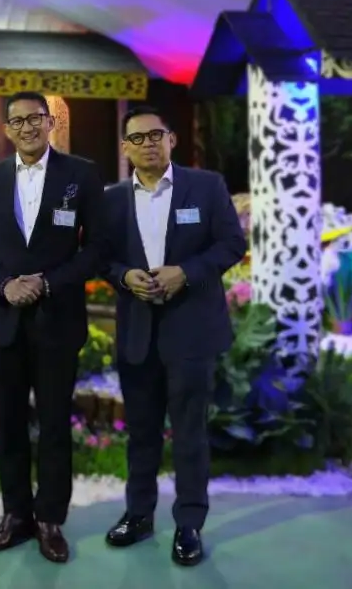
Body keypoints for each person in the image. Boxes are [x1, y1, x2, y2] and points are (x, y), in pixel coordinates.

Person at [0, 91, 105, 564]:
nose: (26, 127)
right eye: (17, 121)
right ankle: (16, 516)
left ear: (50, 123)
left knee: (55, 424)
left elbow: (96, 249)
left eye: (34, 119)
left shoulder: (80, 175)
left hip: (57, 318)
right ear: (7, 129)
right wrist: (4, 285)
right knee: (8, 423)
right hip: (4, 320)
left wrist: (46, 283)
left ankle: (50, 520)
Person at [100, 104, 247, 566]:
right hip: (137, 332)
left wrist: (186, 271)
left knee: (189, 433)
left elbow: (232, 244)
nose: (147, 144)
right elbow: (101, 257)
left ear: (171, 140)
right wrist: (124, 277)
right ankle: (139, 515)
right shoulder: (110, 200)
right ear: (124, 148)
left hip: (192, 331)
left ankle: (189, 524)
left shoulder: (206, 187)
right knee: (141, 432)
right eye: (137, 138)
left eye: (155, 135)